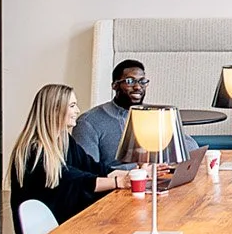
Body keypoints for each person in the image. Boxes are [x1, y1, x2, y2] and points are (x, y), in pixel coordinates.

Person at [7, 84, 131, 234]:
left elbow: (95, 169)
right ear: (55, 110)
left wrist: (135, 175)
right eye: (72, 106)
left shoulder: (65, 141)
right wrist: (119, 182)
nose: (77, 111)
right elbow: (73, 180)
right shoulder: (33, 151)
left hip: (66, 229)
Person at [72, 59, 201, 169]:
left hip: (158, 179)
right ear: (114, 86)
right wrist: (138, 168)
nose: (138, 87)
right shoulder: (88, 122)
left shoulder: (154, 113)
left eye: (142, 81)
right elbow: (87, 172)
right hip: (115, 189)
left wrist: (160, 163)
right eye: (130, 81)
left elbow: (191, 147)